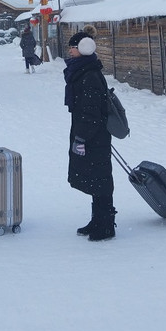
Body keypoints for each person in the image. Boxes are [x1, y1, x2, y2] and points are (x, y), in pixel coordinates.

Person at [63, 25, 116, 241]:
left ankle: (106, 225)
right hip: (89, 134)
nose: (70, 51)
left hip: (95, 136)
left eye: (73, 48)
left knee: (101, 179)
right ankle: (97, 220)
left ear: (84, 48)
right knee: (94, 178)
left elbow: (91, 112)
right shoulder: (82, 71)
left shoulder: (90, 75)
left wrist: (82, 138)